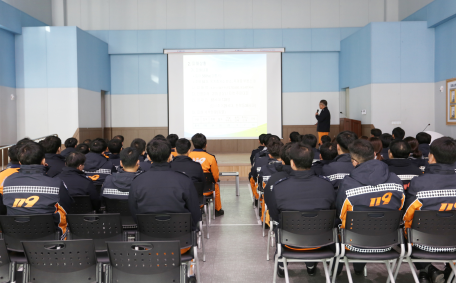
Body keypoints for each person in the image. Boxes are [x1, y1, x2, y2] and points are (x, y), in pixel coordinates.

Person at [335, 139, 404, 276]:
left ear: (354, 161)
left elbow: (341, 214)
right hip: (389, 242)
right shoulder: (396, 180)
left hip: (354, 243)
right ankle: (359, 269)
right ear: (374, 154)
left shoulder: (348, 184)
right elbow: (400, 208)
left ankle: (335, 273)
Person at [268, 142, 335, 278]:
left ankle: (281, 263)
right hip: (321, 241)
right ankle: (311, 263)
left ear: (291, 163)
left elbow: (275, 216)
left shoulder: (280, 187)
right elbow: (334, 212)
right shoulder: (327, 185)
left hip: (289, 241)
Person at [403, 137, 456, 283]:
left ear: (431, 157)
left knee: (406, 230)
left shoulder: (419, 183)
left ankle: (427, 270)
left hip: (424, 243)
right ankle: (447, 272)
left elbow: (407, 215)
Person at [1, 142, 73, 240]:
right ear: (43, 161)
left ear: (20, 163)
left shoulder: (7, 181)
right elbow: (67, 208)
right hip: (48, 242)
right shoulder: (56, 183)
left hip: (15, 241)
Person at [129, 140, 200, 233]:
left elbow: (134, 211)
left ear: (148, 157)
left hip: (148, 237)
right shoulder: (184, 180)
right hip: (181, 237)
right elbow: (195, 213)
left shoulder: (137, 181)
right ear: (170, 156)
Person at [189, 133, 224, 216]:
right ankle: (217, 210)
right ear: (205, 145)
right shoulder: (211, 157)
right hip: (206, 190)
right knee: (216, 185)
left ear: (193, 144)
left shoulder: (188, 156)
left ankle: (199, 206)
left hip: (190, 189)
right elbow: (215, 176)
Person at [263, 143, 293, 222]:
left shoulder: (275, 179)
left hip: (285, 227)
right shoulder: (323, 184)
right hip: (319, 230)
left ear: (282, 160)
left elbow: (270, 204)